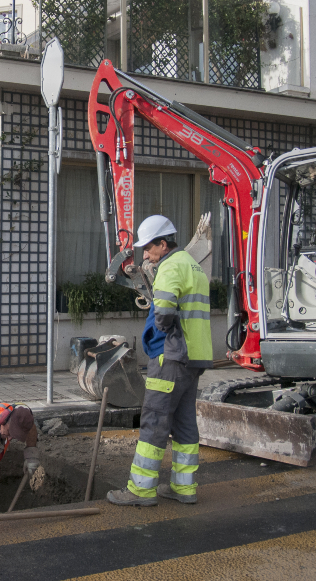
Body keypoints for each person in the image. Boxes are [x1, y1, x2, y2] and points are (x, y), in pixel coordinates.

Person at [107, 214, 211, 507]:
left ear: (163, 244)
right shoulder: (193, 266)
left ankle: (140, 490)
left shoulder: (170, 267)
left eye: (149, 248)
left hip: (171, 357)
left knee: (154, 420)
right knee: (185, 424)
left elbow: (164, 314)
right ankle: (184, 488)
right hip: (194, 359)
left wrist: (159, 334)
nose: (145, 255)